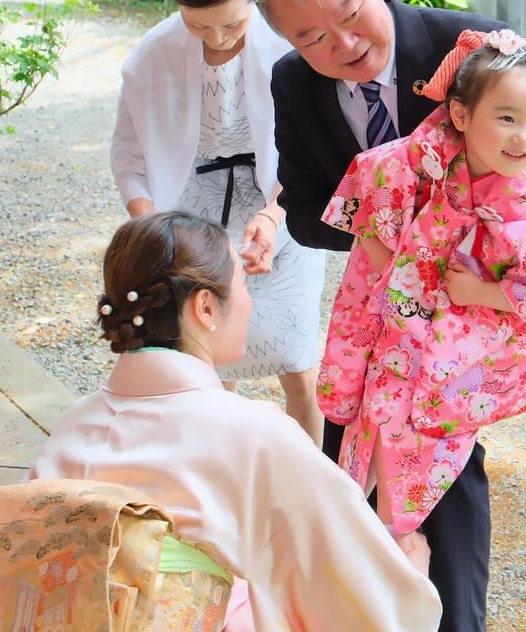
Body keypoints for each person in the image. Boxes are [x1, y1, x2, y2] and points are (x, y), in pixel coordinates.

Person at [248, 0, 526, 632]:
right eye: (312, 37)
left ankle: (452, 620)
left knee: (442, 461)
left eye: (350, 14)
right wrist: (392, 240)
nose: (343, 44)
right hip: (383, 307)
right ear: (288, 42)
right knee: (348, 446)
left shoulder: (469, 46)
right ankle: (357, 609)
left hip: (485, 309)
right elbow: (308, 204)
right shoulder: (292, 81)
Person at [31, 212, 442, 632]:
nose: (249, 301)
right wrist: (411, 572)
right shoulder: (258, 436)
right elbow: (363, 594)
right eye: (244, 285)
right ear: (206, 307)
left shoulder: (72, 428)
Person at [317, 28, 526, 568]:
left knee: (405, 493)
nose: (524, 138)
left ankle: (398, 571)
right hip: (392, 333)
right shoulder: (410, 162)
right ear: (460, 115)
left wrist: (479, 289)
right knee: (358, 466)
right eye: (506, 118)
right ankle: (371, 568)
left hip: (456, 359)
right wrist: (397, 271)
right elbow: (369, 208)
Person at [110, 0, 327, 445]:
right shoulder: (152, 54)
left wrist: (274, 217)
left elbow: (313, 151)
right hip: (190, 210)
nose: (218, 38)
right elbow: (130, 154)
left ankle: (314, 486)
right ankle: (222, 478)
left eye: (232, 22)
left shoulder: (286, 43)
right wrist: (153, 229)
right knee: (205, 365)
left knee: (297, 363)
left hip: (281, 198)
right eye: (198, 25)